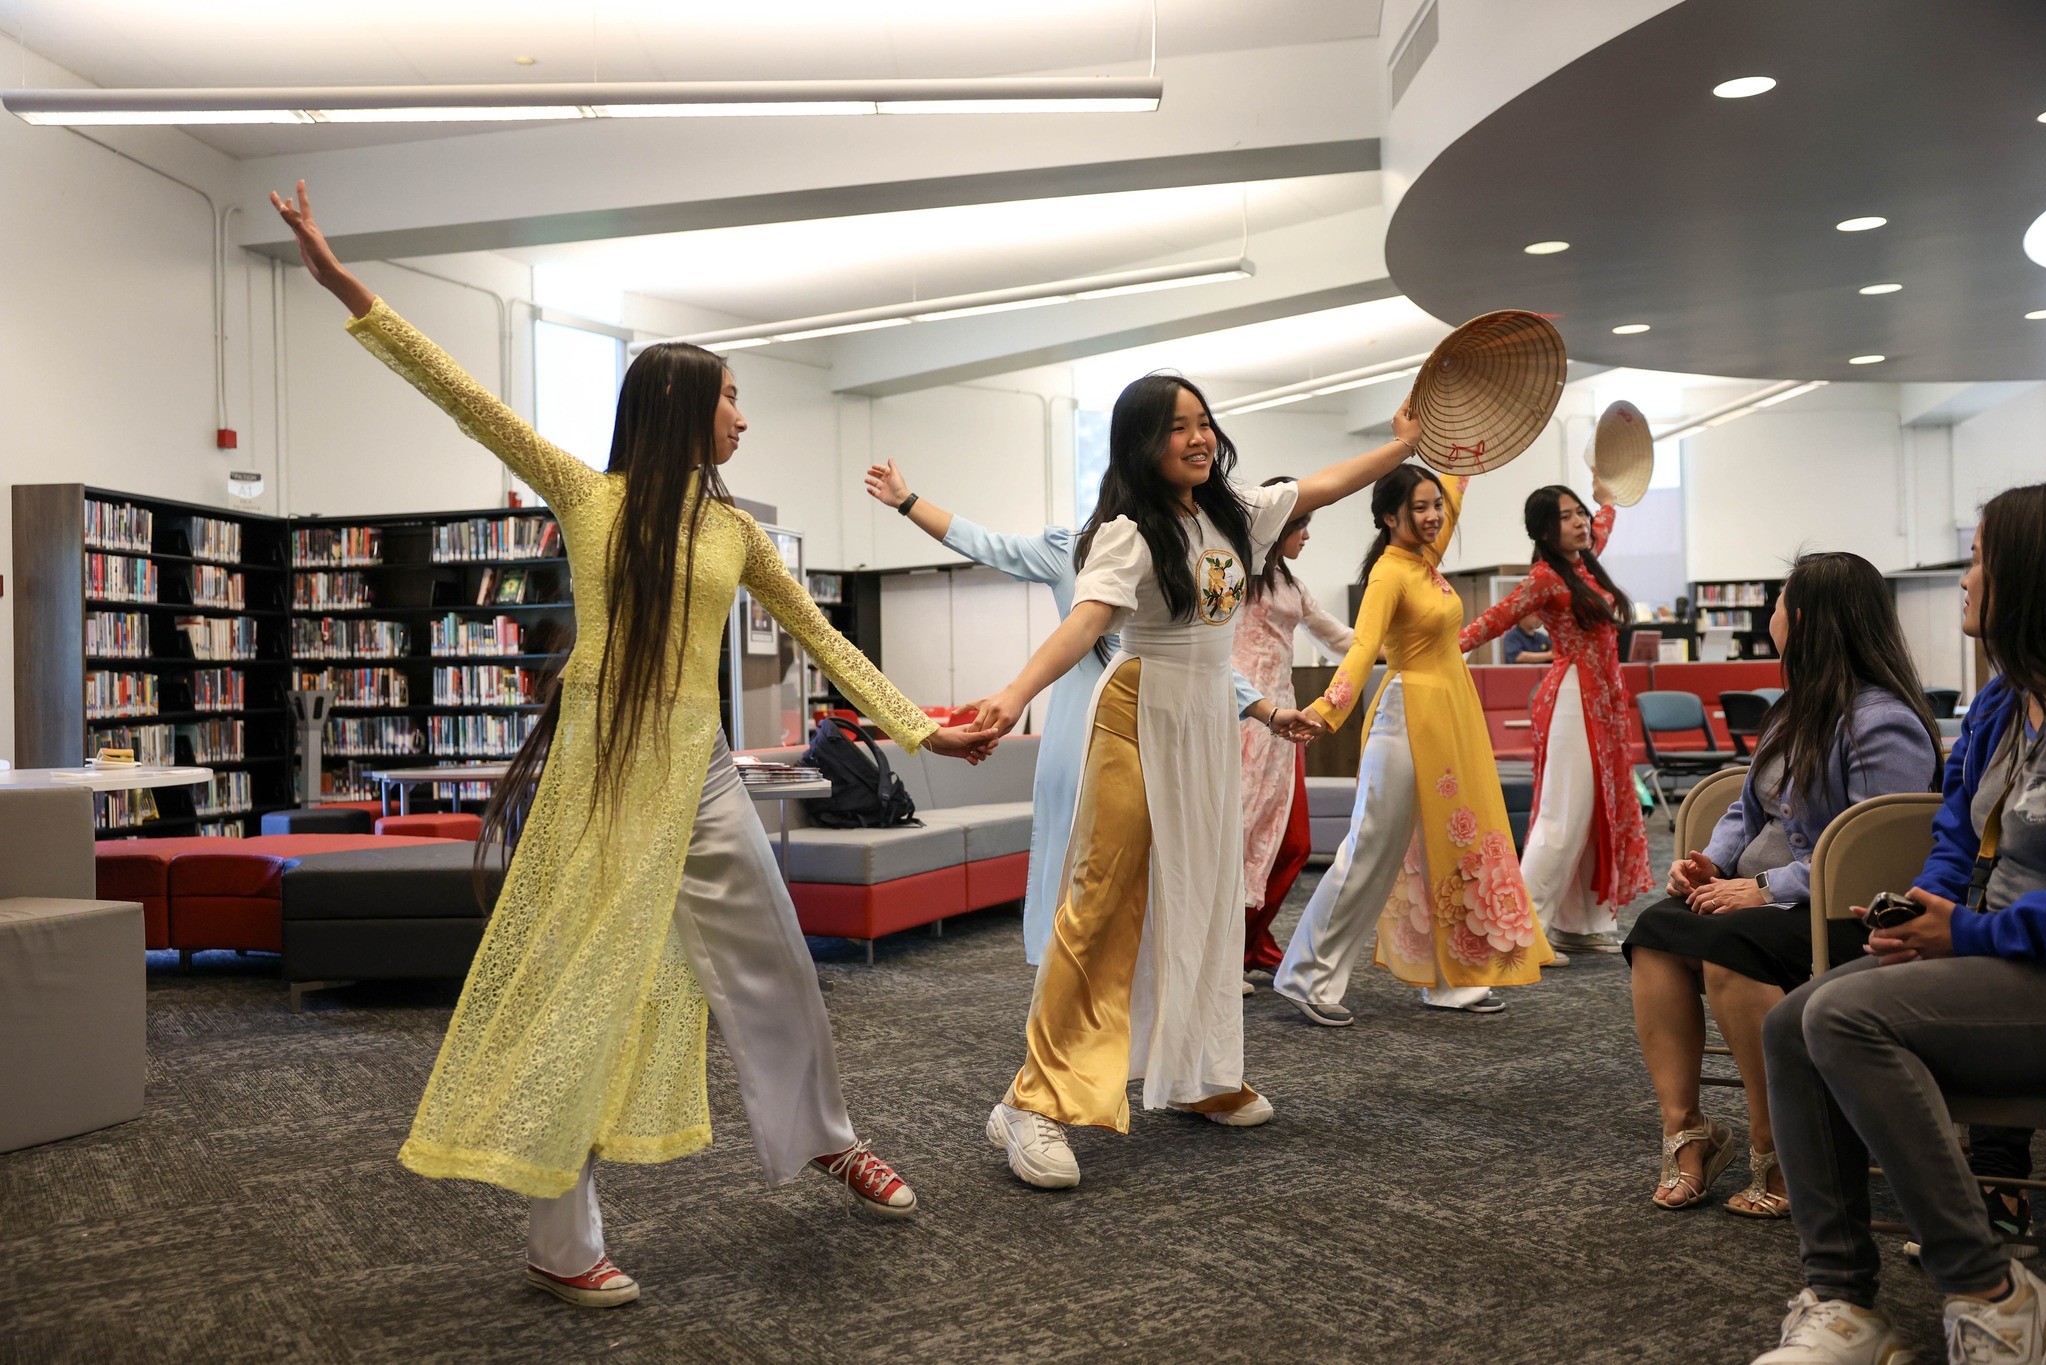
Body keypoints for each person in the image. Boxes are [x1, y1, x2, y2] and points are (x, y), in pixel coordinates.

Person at [271, 181, 998, 1308]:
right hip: (602, 779)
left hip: (699, 774)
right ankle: (559, 1242)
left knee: (775, 959)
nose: (743, 417)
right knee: (583, 996)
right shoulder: (587, 495)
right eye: (731, 397)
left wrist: (918, 730)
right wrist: (341, 285)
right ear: (680, 405)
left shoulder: (735, 531)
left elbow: (820, 637)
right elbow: (462, 396)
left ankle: (826, 1137)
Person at [967, 378, 1422, 1190]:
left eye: (1204, 421)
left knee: (1208, 894)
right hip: (1139, 712)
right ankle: (1030, 1102)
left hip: (1207, 719)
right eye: (1178, 427)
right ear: (1143, 442)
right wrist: (1013, 693)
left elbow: (1324, 484)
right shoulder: (1127, 532)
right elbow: (1085, 624)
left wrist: (1401, 447)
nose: (1199, 437)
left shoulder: (1234, 514)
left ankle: (1200, 1073)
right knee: (1102, 902)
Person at [1749, 486, 2046, 1365]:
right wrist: (1919, 910)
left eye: (1980, 557)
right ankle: (1845, 1302)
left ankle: (1993, 1291)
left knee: (1844, 1016)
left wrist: (1970, 935)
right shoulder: (2002, 705)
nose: (1965, 577)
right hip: (1995, 954)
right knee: (1790, 1023)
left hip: (2022, 959)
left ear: (2030, 574)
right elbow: (1954, 838)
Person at [858, 459, 1286, 970]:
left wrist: (1268, 711)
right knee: (1072, 847)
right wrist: (907, 502)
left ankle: (1154, 971)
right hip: (1083, 724)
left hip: (1157, 720)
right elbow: (983, 543)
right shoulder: (1071, 551)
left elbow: (1198, 658)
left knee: (1158, 851)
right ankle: (1063, 965)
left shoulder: (1171, 554)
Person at [1624, 552, 1940, 1220]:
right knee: (1654, 932)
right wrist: (1710, 863)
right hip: (1769, 901)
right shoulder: (1794, 709)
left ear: (1805, 617)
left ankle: (1782, 1146)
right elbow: (1746, 814)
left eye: (1777, 603)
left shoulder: (1882, 721)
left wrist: (1767, 888)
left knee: (1732, 946)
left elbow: (1875, 850)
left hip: (1844, 914)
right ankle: (1688, 1132)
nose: (1770, 616)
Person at [1277, 464, 1554, 1022]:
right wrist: (1326, 711)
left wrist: (1462, 456)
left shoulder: (1425, 561)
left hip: (1449, 716)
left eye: (1435, 506)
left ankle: (1454, 981)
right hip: (1406, 718)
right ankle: (1308, 977)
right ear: (1388, 517)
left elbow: (1453, 494)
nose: (1433, 517)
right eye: (1419, 508)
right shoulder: (1389, 574)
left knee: (1446, 846)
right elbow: (1363, 649)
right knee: (1371, 848)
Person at [1459, 485, 1653, 957]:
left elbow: (1602, 525)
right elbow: (1495, 619)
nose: (1581, 522)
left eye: (1580, 513)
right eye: (1567, 517)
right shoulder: (1545, 577)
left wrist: (1605, 498)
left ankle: (1579, 924)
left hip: (1602, 702)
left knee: (1593, 813)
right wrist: (1438, 649)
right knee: (1563, 817)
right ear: (1546, 530)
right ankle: (1519, 930)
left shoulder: (1585, 562)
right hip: (1573, 699)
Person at [1234, 477, 1354, 974]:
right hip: (1242, 716)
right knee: (1238, 836)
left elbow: (1340, 639)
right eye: (1300, 525)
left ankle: (1249, 940)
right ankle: (1225, 951)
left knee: (1292, 843)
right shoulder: (1233, 574)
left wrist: (1412, 645)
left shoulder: (1291, 585)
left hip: (1283, 722)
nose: (1306, 535)